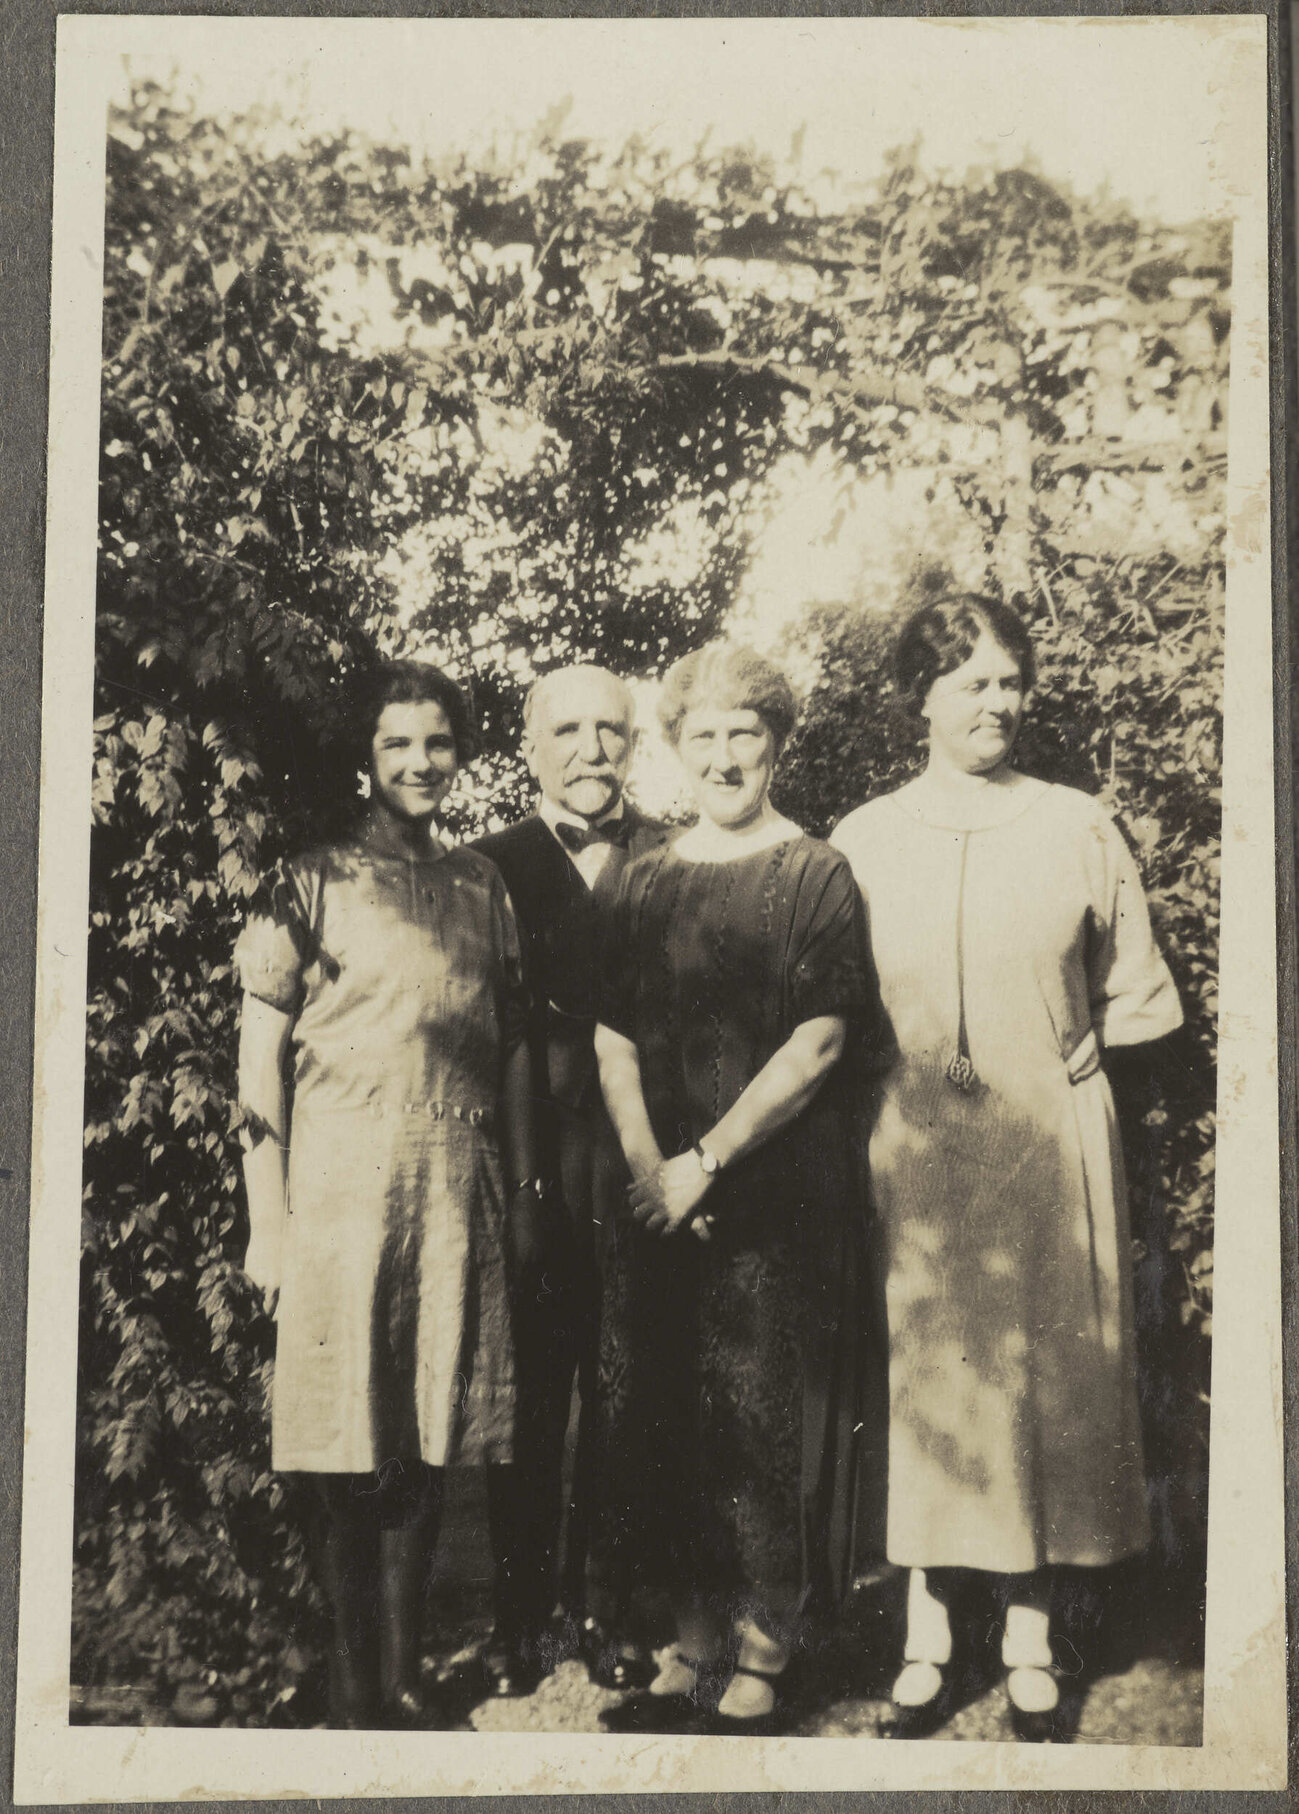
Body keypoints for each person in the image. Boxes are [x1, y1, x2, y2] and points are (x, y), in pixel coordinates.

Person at [831, 595, 1183, 1742]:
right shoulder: (864, 836)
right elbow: (825, 1009)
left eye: (1010, 680)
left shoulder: (1078, 822)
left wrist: (1086, 1043)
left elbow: (1136, 995)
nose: (999, 702)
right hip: (915, 1144)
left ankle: (1029, 1642)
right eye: (973, 681)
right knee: (931, 1376)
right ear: (920, 698)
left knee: (1036, 1372)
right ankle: (927, 1642)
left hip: (1046, 1136)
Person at [235, 661, 538, 1729]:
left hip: (450, 1190)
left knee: (424, 1428)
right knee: (338, 1440)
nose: (420, 761)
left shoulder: (482, 887)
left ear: (462, 752)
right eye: (398, 742)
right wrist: (267, 1217)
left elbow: (504, 1051)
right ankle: (354, 1677)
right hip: (335, 1197)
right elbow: (258, 1061)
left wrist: (517, 1182)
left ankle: (406, 1677)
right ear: (366, 756)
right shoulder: (309, 880)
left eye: (439, 741)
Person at [592, 642, 873, 1736]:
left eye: (743, 731)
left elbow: (821, 1040)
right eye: (701, 733)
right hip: (660, 1190)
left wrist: (704, 1160)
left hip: (767, 1192)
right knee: (666, 1411)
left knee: (757, 1416)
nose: (722, 752)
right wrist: (649, 1168)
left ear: (777, 741)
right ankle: (689, 1645)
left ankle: (764, 1652)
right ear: (676, 745)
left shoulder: (815, 872)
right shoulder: (642, 875)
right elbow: (613, 1038)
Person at [472, 665, 669, 1695]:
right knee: (532, 1392)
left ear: (634, 741)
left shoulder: (673, 854)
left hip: (637, 1156)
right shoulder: (486, 865)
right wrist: (518, 1187)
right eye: (569, 731)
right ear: (529, 744)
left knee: (627, 1388)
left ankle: (614, 1605)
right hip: (532, 1153)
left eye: (610, 729)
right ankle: (518, 1616)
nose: (592, 750)